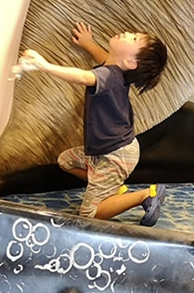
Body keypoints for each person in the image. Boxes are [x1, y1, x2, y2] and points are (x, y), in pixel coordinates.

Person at [16, 21, 169, 225]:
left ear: (132, 62)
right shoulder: (116, 70)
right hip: (109, 151)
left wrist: (44, 66)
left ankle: (146, 195)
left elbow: (82, 77)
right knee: (65, 160)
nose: (127, 33)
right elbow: (103, 58)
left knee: (89, 215)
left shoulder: (110, 76)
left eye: (133, 39)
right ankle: (112, 189)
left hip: (116, 154)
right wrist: (88, 45)